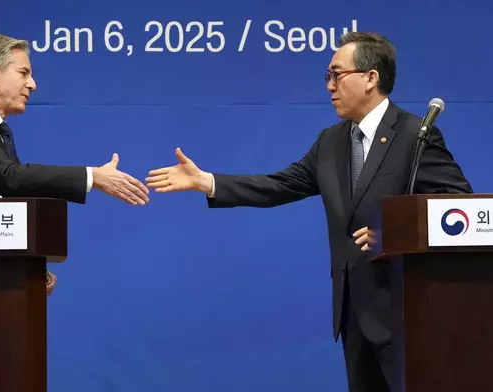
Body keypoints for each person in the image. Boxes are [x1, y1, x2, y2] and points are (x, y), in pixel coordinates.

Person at [145, 32, 472, 392]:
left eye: (337, 75)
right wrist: (207, 182)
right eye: (327, 77)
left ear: (370, 78)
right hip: (354, 318)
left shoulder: (415, 135)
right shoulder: (330, 142)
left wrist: (399, 233)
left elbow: (460, 211)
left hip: (406, 315)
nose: (329, 86)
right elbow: (279, 185)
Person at [0, 33, 149, 296]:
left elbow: (11, 199)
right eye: (23, 73)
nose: (32, 84)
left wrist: (35, 266)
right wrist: (92, 177)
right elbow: (9, 178)